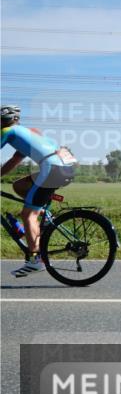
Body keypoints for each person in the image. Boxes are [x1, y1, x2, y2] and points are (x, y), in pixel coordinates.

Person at [1, 105, 77, 277]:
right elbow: (14, 161)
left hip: (53, 168)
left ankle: (35, 261)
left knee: (28, 214)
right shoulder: (29, 132)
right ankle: (42, 218)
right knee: (19, 186)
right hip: (66, 166)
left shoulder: (8, 131)